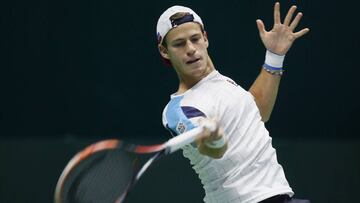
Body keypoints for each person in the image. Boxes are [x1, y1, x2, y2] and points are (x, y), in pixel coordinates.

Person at [156, 3, 310, 203]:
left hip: (277, 196)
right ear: (164, 51)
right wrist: (215, 139)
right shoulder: (178, 110)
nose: (191, 49)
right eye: (179, 44)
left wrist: (274, 56)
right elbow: (211, 148)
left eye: (195, 39)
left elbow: (258, 113)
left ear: (205, 38)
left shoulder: (220, 82)